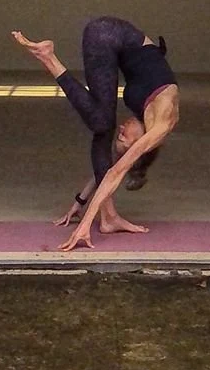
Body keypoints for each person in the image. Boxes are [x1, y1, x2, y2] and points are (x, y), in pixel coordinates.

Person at [11, 15, 181, 251]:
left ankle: (109, 218)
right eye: (125, 139)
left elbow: (111, 167)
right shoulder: (162, 123)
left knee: (103, 127)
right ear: (140, 145)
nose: (122, 131)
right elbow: (115, 171)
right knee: (103, 123)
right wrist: (85, 225)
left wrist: (80, 201)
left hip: (105, 40)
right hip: (111, 32)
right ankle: (48, 57)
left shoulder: (145, 125)